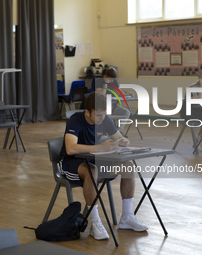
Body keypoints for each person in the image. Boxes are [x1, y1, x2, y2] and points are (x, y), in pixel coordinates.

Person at [60, 92, 147, 241]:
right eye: (99, 115)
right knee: (91, 170)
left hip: (94, 159)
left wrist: (123, 141)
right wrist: (99, 148)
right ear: (87, 112)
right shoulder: (75, 120)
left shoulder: (104, 119)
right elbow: (70, 149)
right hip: (71, 162)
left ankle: (126, 217)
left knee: (127, 165)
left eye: (104, 114)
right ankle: (95, 223)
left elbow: (119, 137)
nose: (102, 118)